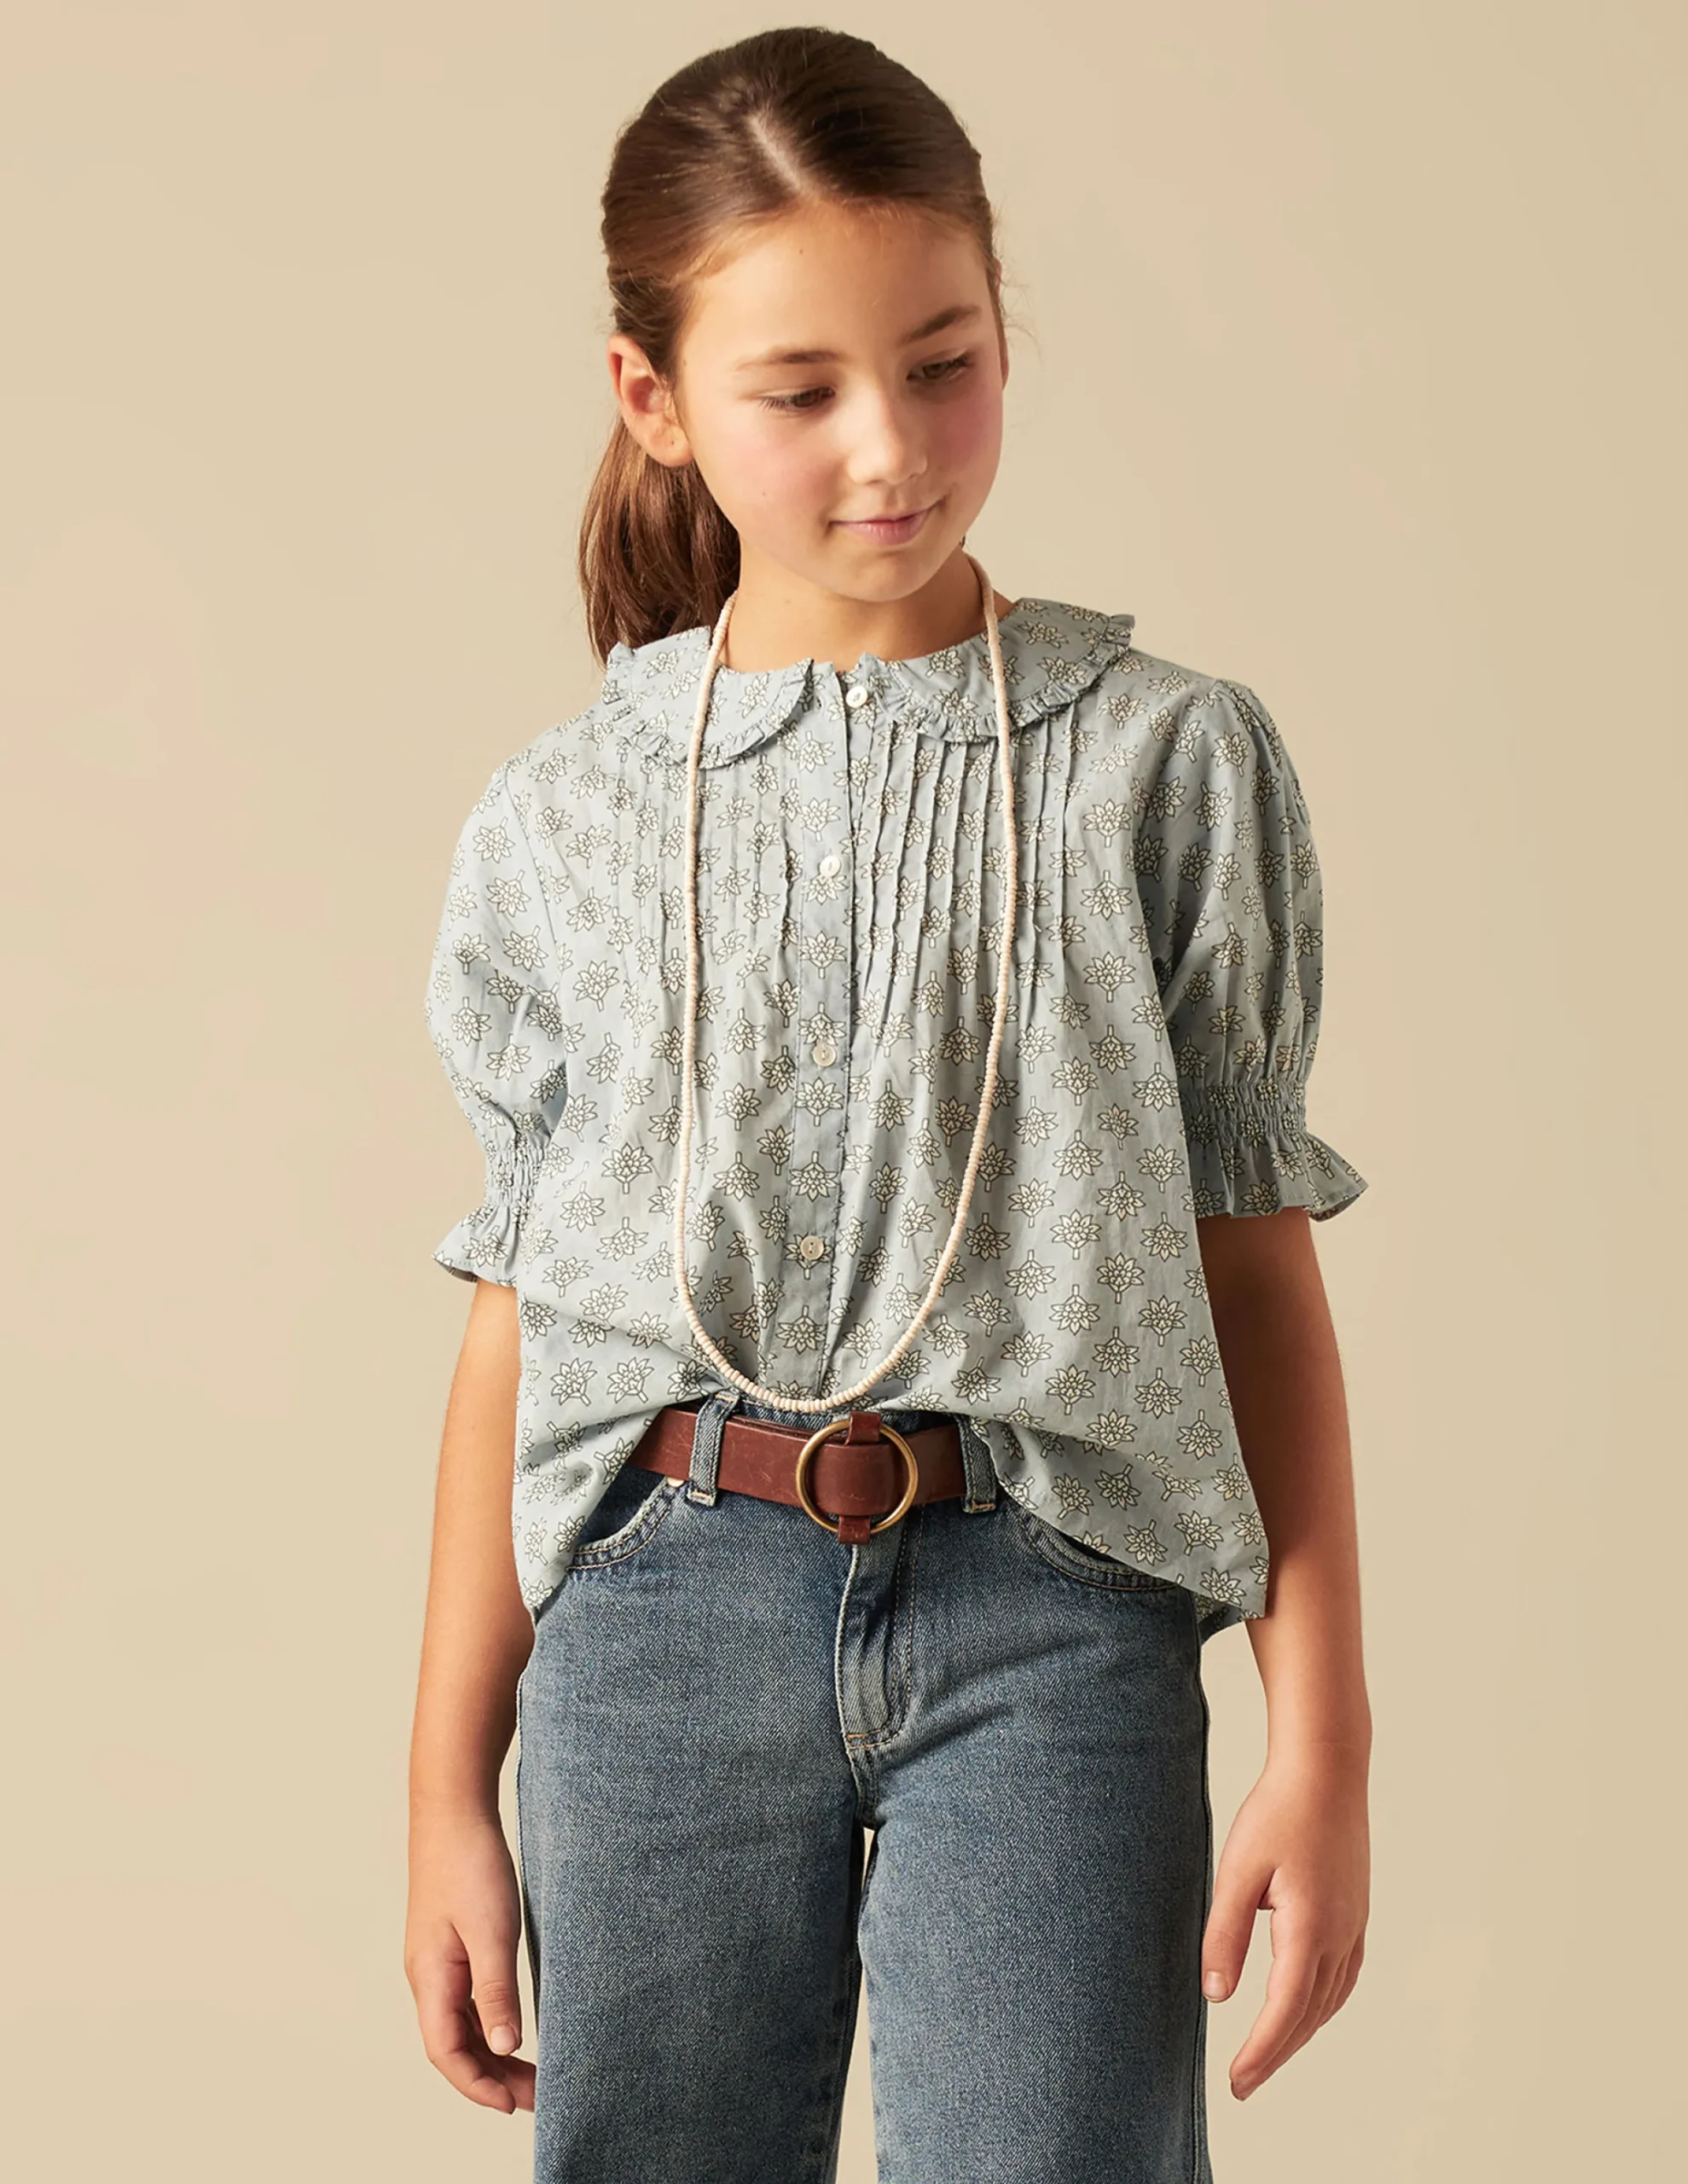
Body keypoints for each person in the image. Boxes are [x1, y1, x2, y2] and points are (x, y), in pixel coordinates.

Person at [403, 26, 1372, 2184]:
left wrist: (1322, 1736)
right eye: (801, 390)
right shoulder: (564, 812)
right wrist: (442, 1786)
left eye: (942, 365)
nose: (890, 448)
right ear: (653, 394)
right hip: (655, 1621)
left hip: (1054, 1616)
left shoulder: (1162, 763)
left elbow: (1248, 1272)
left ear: (1000, 324)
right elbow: (518, 1323)